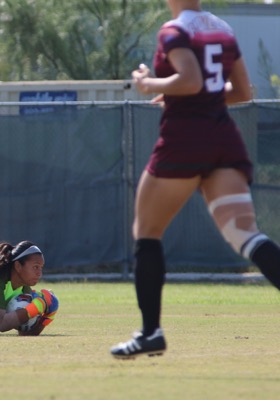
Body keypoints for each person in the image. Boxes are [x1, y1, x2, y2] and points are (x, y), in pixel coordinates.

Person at [110, 0, 280, 359]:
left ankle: (151, 333)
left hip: (185, 140)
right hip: (222, 137)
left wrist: (146, 83)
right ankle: (149, 333)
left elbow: (190, 80)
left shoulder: (174, 30)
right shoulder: (222, 27)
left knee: (147, 232)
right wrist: (176, 95)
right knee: (245, 234)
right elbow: (241, 92)